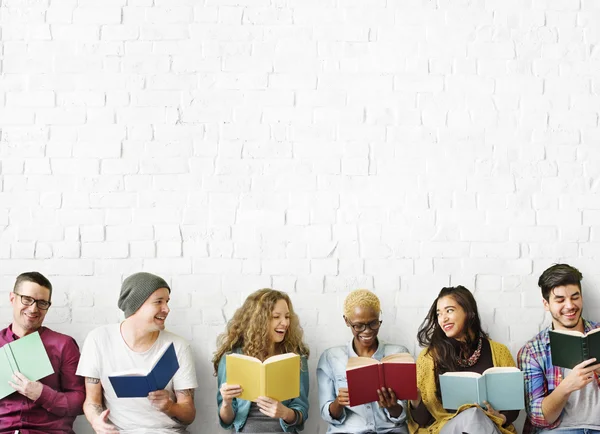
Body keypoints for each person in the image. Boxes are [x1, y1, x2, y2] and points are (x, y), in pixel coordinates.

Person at [76, 272, 198, 433]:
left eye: (167, 302)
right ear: (136, 305)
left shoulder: (178, 346)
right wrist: (97, 422)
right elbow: (92, 402)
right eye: (158, 302)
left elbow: (188, 415)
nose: (166, 309)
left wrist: (170, 406)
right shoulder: (98, 339)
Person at [408, 286, 519, 434]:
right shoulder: (429, 357)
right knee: (472, 415)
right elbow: (422, 420)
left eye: (449, 310)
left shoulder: (499, 352)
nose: (443, 318)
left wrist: (501, 418)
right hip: (447, 430)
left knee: (477, 417)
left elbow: (513, 405)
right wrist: (415, 399)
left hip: (491, 428)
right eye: (439, 314)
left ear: (469, 312)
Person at [518, 264, 600, 434]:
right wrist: (567, 386)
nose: (570, 306)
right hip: (558, 430)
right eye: (560, 300)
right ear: (546, 304)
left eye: (575, 297)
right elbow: (538, 417)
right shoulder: (532, 351)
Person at [213, 288, 310, 432]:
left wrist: (285, 413)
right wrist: (226, 402)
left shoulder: (296, 357)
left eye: (287, 317)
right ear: (259, 320)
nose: (284, 323)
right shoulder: (232, 358)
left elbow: (301, 411)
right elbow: (227, 421)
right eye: (276, 317)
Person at [0, 271, 85, 433]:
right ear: (12, 298)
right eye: (27, 299)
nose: (33, 309)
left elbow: (80, 401)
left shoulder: (63, 344)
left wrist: (43, 394)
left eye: (42, 303)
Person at [317, 289, 410, 433]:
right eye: (359, 326)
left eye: (373, 323)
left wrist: (392, 407)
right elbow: (326, 414)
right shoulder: (331, 357)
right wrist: (338, 403)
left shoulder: (397, 354)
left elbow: (403, 415)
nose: (367, 331)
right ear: (347, 321)